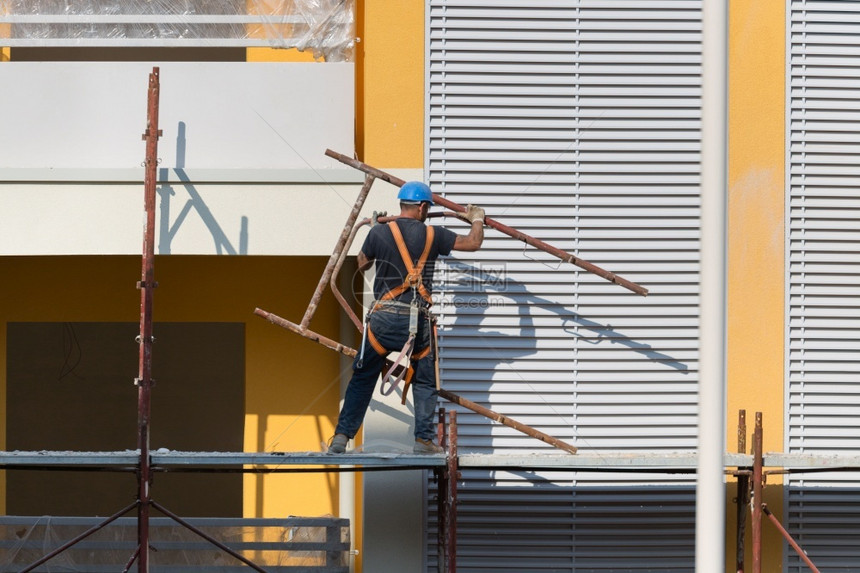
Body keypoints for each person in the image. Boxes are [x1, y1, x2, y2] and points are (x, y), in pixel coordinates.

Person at [328, 181, 485, 454]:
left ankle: (341, 437)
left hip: (382, 320)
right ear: (423, 207)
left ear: (402, 205)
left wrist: (374, 230)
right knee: (424, 381)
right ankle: (423, 440)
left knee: (363, 377)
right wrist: (477, 219)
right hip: (418, 321)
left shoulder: (381, 231)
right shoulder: (434, 234)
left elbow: (362, 263)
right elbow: (474, 242)